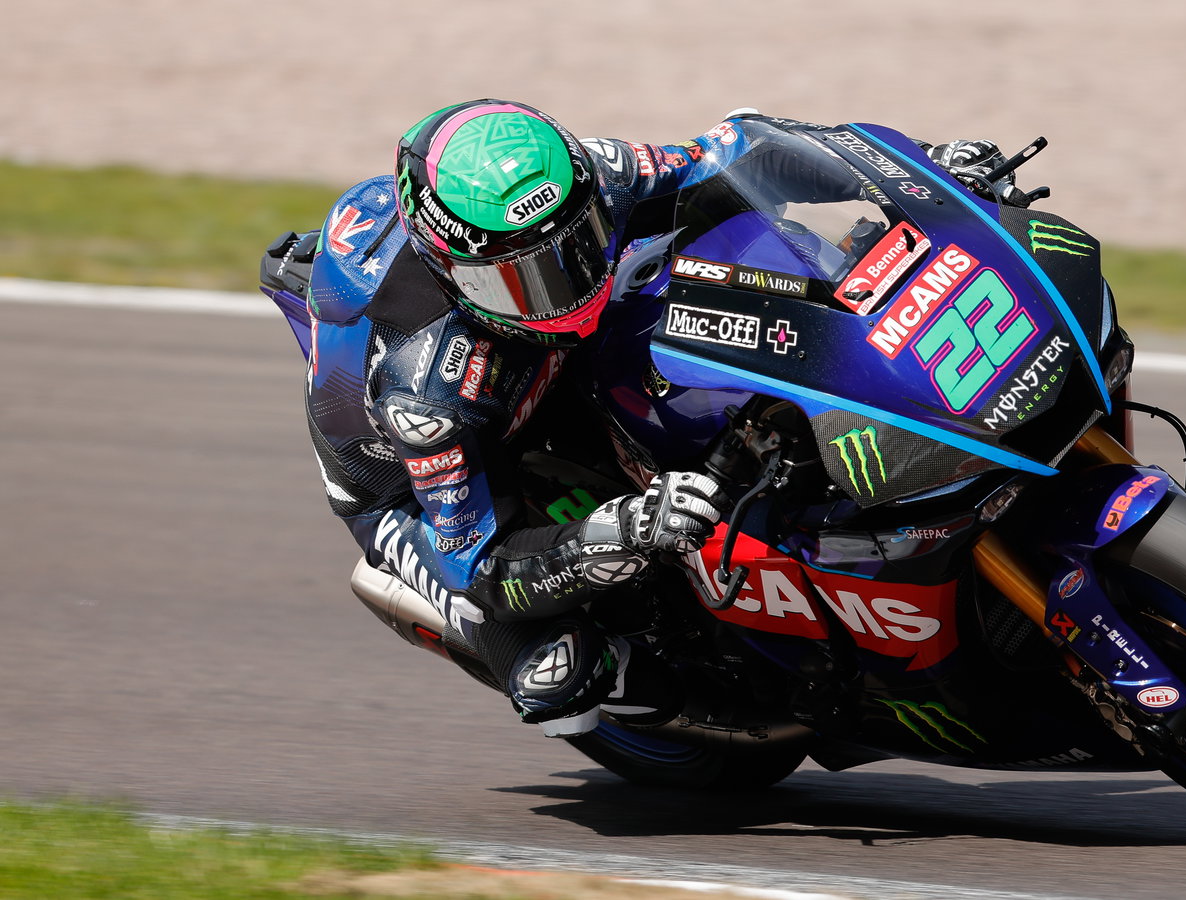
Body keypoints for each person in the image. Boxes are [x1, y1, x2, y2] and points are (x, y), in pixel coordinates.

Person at [261, 99, 1012, 737]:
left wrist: (923, 170)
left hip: (549, 364)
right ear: (457, 271)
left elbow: (739, 150)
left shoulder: (594, 173)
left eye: (575, 244)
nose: (565, 286)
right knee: (560, 674)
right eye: (524, 278)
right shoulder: (426, 387)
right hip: (408, 481)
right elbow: (478, 564)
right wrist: (615, 534)